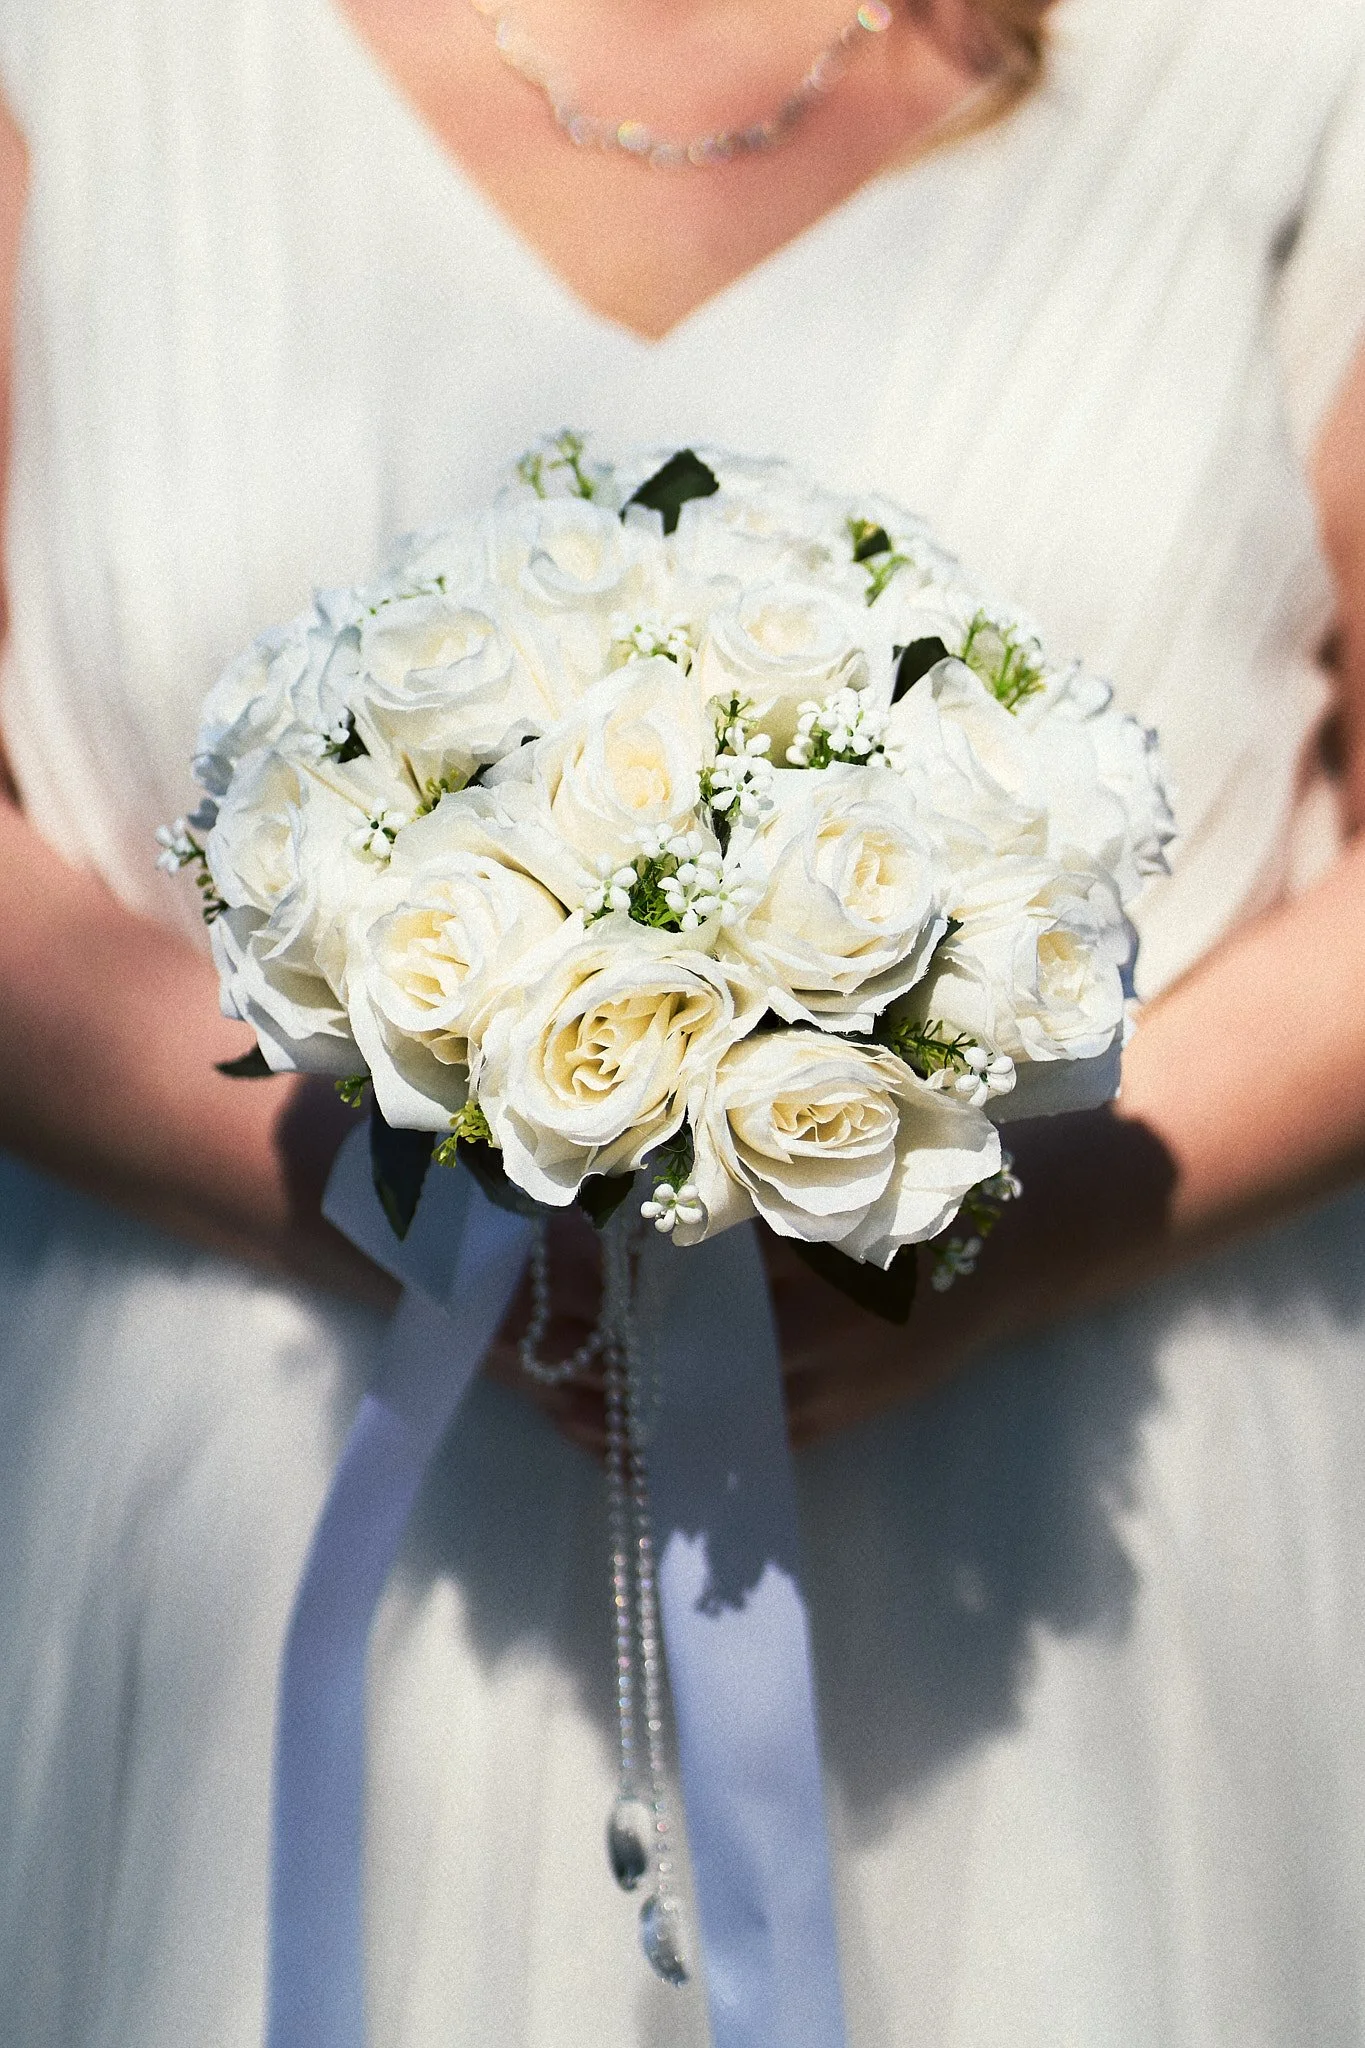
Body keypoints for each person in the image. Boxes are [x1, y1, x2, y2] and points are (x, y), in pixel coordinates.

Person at [0, 0, 1362, 2040]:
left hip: (1050, 1548)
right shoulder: (86, 51)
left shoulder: (1282, 62)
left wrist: (1008, 1226)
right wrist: (395, 1208)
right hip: (233, 1482)